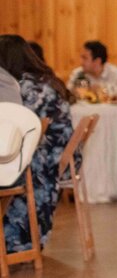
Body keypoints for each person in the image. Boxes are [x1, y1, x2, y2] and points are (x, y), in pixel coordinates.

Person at [0, 35, 73, 255]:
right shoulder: (44, 80)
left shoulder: (27, 87)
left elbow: (14, 127)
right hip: (56, 157)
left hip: (38, 161)